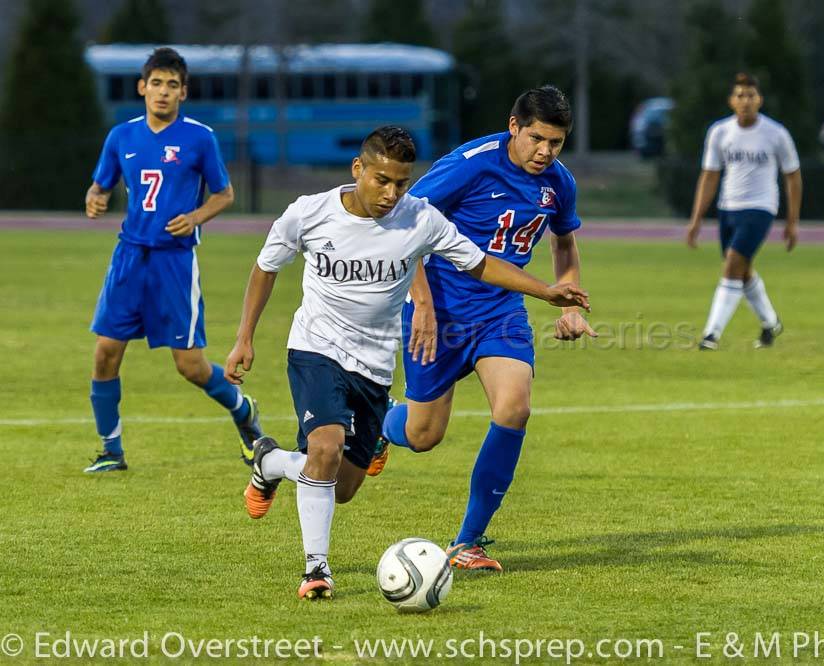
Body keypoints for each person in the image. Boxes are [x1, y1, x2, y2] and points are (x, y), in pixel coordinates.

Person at [224, 126, 589, 600]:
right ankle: (317, 570)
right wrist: (244, 339)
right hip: (316, 347)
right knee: (326, 449)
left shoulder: (419, 218)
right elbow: (266, 268)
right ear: (358, 170)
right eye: (382, 181)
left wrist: (548, 292)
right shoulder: (309, 213)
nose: (391, 193)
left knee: (348, 483)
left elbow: (478, 263)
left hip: (377, 362)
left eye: (400, 183)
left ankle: (271, 462)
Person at [377, 85, 596, 572]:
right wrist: (424, 302)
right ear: (513, 126)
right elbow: (403, 221)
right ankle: (378, 423)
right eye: (537, 139)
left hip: (501, 311)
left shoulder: (558, 182)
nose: (545, 152)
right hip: (440, 311)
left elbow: (564, 242)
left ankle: (467, 542)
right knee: (422, 434)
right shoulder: (471, 163)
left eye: (556, 143)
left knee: (515, 407)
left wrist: (569, 300)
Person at [84, 47, 262, 473]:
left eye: (172, 85)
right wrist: (96, 197)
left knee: (190, 366)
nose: (163, 92)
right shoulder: (121, 136)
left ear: (184, 93)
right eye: (157, 83)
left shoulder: (199, 137)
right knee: (105, 352)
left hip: (175, 263)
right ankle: (111, 451)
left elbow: (225, 194)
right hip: (129, 257)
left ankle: (244, 411)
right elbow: (100, 186)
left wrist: (197, 217)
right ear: (142, 87)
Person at [685, 72, 802, 350]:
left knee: (732, 264)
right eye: (740, 95)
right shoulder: (720, 132)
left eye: (750, 95)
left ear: (759, 99)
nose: (745, 101)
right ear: (731, 100)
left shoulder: (776, 134)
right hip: (729, 208)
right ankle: (771, 324)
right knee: (743, 270)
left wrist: (792, 222)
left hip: (761, 208)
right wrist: (696, 220)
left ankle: (711, 335)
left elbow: (793, 176)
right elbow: (710, 176)